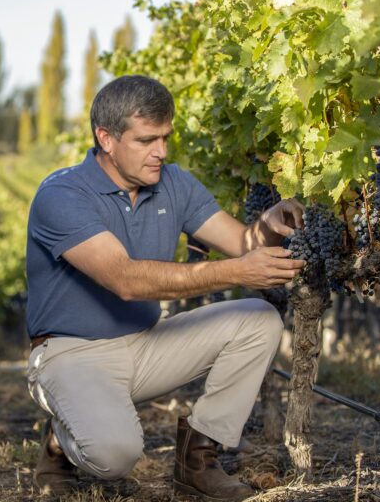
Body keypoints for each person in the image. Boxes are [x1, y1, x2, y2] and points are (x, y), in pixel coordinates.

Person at [25, 75, 305, 501]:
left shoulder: (173, 183)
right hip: (70, 353)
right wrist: (236, 271)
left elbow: (242, 243)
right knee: (115, 458)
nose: (161, 152)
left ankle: (198, 462)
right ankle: (59, 442)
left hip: (145, 345)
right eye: (146, 140)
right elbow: (125, 279)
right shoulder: (62, 194)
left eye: (165, 138)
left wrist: (271, 223)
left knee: (258, 319)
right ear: (106, 138)